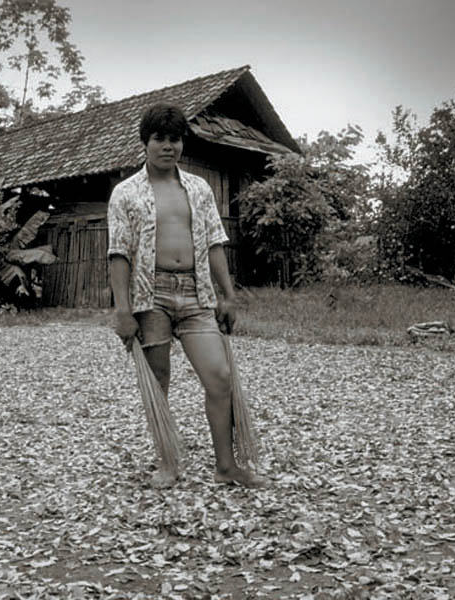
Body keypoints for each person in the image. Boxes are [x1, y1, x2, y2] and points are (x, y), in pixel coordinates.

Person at [107, 102, 267, 489]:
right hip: (151, 296)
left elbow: (214, 243)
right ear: (145, 142)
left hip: (196, 294)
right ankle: (167, 463)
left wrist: (228, 296)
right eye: (159, 138)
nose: (168, 146)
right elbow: (119, 253)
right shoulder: (126, 193)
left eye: (175, 139)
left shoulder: (198, 188)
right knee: (158, 382)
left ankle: (226, 466)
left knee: (220, 376)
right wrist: (123, 310)